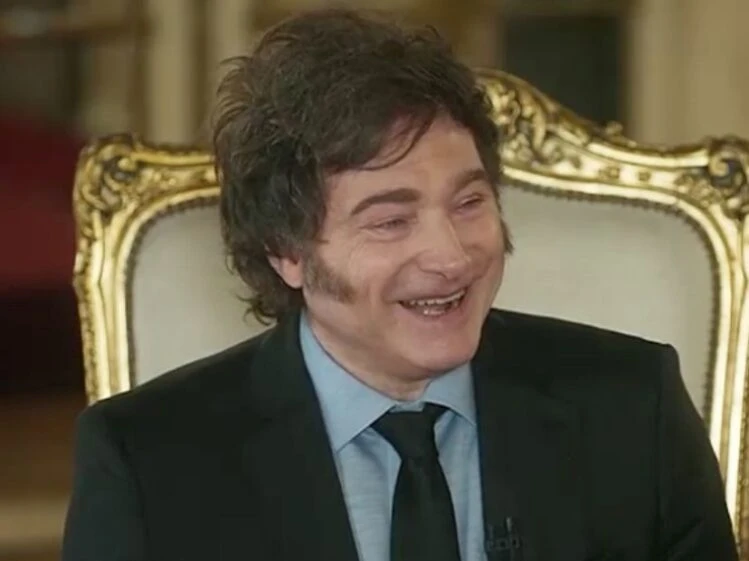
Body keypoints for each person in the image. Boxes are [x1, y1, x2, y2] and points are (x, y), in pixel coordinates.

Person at [61, 8, 738, 561]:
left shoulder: (631, 407)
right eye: (390, 221)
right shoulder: (148, 462)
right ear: (286, 251)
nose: (451, 256)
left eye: (469, 203)